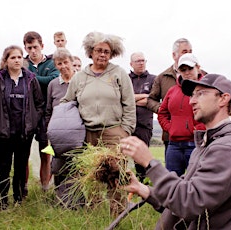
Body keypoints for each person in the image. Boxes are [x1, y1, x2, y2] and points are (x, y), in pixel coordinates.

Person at [120, 74, 231, 229]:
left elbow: (189, 204)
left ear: (223, 99)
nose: (191, 101)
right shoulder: (209, 142)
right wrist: (144, 190)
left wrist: (150, 164)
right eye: (192, 95)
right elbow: (182, 193)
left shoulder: (228, 149)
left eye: (201, 94)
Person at [60, 31, 136, 215]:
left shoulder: (119, 74)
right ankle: (94, 214)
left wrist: (125, 130)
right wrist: (69, 125)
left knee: (115, 175)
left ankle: (117, 215)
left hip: (113, 132)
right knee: (91, 175)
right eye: (99, 50)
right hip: (87, 135)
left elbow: (130, 103)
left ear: (112, 54)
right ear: (91, 52)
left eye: (107, 52)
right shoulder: (79, 77)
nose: (103, 54)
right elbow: (66, 102)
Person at [0, 45, 44, 208]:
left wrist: (32, 123)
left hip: (24, 133)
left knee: (20, 166)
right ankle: (1, 200)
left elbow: (39, 104)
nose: (17, 60)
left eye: (19, 57)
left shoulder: (30, 79)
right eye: (13, 57)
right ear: (6, 61)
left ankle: (19, 198)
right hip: (4, 133)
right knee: (4, 167)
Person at [146, 38, 206, 153]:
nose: (188, 54)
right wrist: (170, 124)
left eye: (190, 51)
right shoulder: (162, 77)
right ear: (174, 55)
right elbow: (150, 100)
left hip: (198, 139)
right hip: (171, 138)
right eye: (184, 51)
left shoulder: (205, 77)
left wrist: (197, 129)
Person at [157, 53, 205, 176]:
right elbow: (162, 113)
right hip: (174, 145)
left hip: (195, 144)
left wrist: (197, 129)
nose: (187, 72)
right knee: (171, 183)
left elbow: (212, 113)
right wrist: (170, 128)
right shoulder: (172, 91)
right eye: (183, 70)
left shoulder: (206, 89)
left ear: (198, 67)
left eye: (190, 68)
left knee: (195, 181)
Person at [23, 31, 59, 190]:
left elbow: (54, 79)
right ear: (25, 47)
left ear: (42, 46)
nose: (33, 51)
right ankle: (22, 186)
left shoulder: (51, 63)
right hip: (26, 116)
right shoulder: (22, 63)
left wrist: (31, 78)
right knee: (24, 155)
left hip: (46, 117)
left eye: (35, 47)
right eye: (29, 47)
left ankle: (45, 187)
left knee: (46, 153)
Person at [45, 48, 80, 206]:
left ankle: (77, 202)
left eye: (66, 62)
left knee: (77, 167)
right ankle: (61, 200)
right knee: (58, 166)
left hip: (77, 134)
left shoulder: (81, 81)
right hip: (58, 136)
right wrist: (49, 132)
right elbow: (48, 110)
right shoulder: (53, 85)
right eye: (59, 63)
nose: (63, 66)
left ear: (72, 62)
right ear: (55, 65)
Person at [128, 52, 155, 182]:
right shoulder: (126, 79)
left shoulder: (153, 79)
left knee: (142, 156)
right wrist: (143, 96)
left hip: (145, 125)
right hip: (127, 124)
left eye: (143, 60)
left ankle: (143, 183)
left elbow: (152, 100)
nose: (141, 63)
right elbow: (123, 99)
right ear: (131, 64)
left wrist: (132, 99)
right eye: (138, 61)